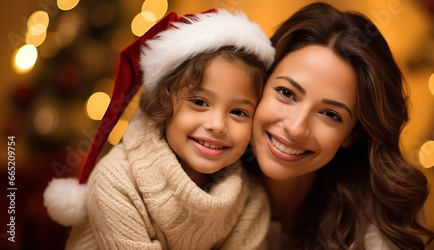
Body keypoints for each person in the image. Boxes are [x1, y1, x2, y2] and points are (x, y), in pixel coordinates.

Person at [43, 9, 275, 249]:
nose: (217, 125)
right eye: (199, 102)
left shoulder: (250, 199)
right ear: (163, 105)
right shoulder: (115, 182)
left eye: (238, 112)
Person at [244, 2, 434, 249]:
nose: (296, 127)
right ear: (259, 86)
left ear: (352, 134)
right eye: (286, 93)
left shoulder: (381, 221)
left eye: (330, 114)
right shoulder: (197, 179)